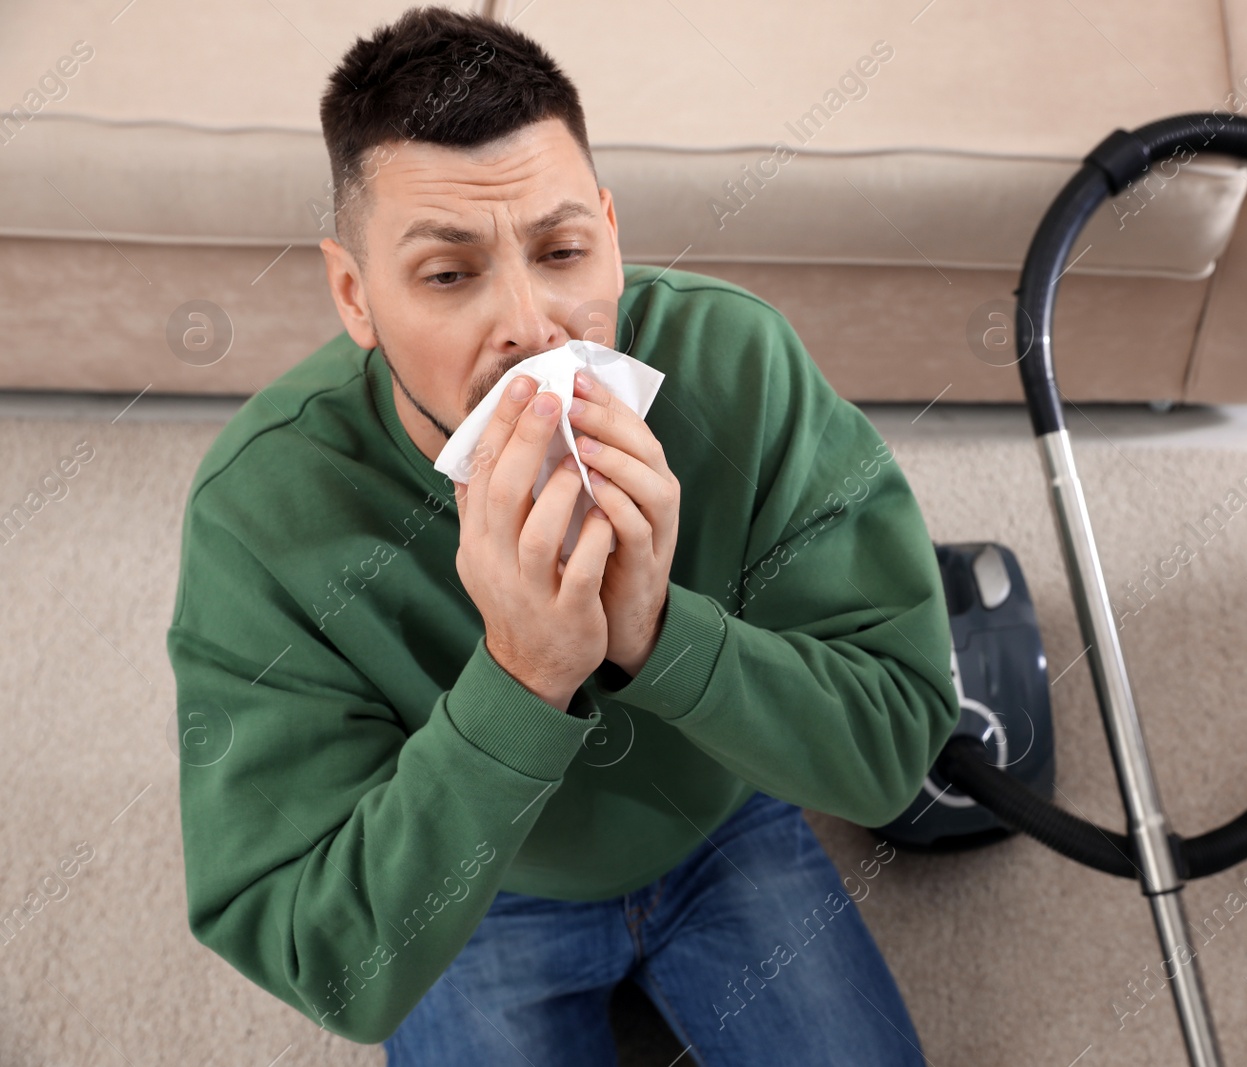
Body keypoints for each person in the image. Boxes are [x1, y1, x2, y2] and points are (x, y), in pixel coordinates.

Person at [166, 5, 959, 1065]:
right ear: (355, 294)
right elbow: (330, 961)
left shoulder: (738, 364)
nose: (533, 327)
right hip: (479, 877)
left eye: (563, 250)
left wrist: (657, 630)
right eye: (449, 274)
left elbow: (890, 752)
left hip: (720, 817)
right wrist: (523, 674)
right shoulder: (262, 509)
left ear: (612, 236)